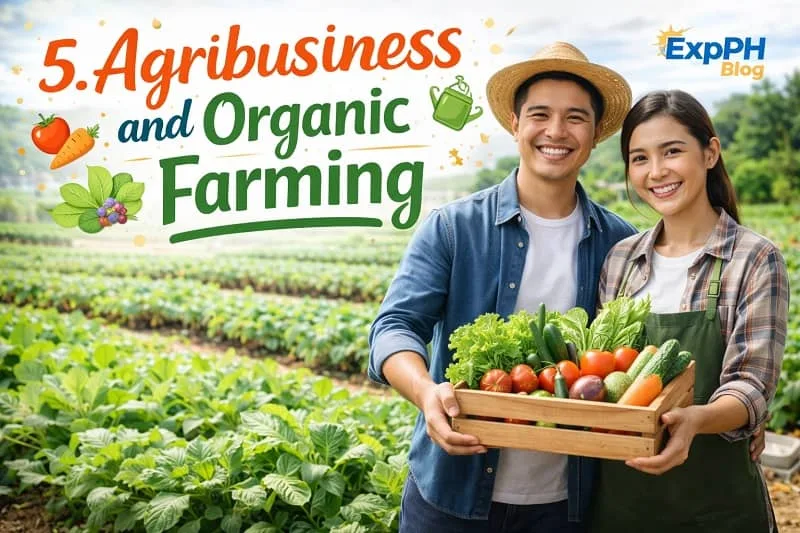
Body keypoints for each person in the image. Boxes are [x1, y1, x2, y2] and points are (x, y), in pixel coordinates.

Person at [368, 42, 637, 532]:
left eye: (575, 118)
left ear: (596, 133)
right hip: (451, 492)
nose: (556, 131)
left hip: (566, 502)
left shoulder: (620, 242)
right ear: (515, 124)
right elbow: (394, 328)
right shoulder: (452, 227)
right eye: (540, 114)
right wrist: (427, 392)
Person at [589, 90, 789, 533]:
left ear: (710, 152)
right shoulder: (620, 260)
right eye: (639, 158)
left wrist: (697, 419)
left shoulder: (754, 259)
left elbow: (751, 384)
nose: (656, 172)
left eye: (672, 151)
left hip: (717, 508)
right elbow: (601, 378)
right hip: (620, 506)